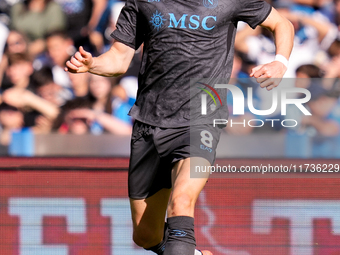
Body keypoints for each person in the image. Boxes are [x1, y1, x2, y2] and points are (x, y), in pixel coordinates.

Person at [65, 0, 294, 254]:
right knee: (146, 235)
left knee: (181, 202)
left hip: (200, 121)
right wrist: (92, 65)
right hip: (149, 124)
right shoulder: (142, 2)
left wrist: (280, 62)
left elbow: (281, 24)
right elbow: (119, 59)